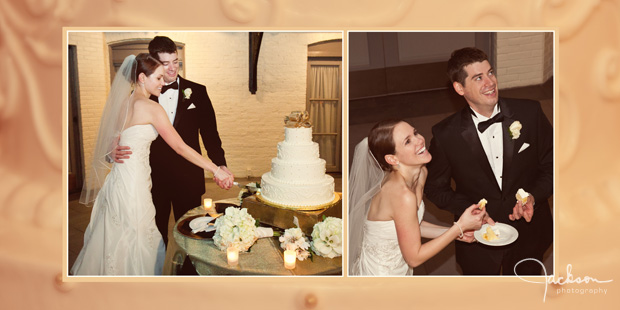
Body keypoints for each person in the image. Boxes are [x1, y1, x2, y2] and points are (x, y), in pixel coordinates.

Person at [72, 54, 233, 276]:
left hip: (118, 182)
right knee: (139, 238)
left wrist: (111, 153)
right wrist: (216, 170)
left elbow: (111, 147)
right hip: (135, 185)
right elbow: (181, 147)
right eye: (157, 77)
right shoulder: (151, 108)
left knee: (115, 236)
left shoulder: (122, 104)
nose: (162, 82)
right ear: (141, 78)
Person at [424, 47, 553, 275]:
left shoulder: (530, 113)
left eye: (490, 72)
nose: (490, 82)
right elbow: (435, 188)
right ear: (459, 88)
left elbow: (552, 165)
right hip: (477, 239)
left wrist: (533, 195)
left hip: (530, 231)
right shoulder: (446, 134)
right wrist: (469, 211)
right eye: (478, 77)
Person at [114, 36, 234, 248]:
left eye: (175, 61)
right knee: (154, 233)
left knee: (192, 231)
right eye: (165, 63)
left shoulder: (198, 91)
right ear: (152, 63)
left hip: (188, 175)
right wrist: (113, 150)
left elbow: (210, 135)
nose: (172, 69)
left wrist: (220, 164)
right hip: (152, 177)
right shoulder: (141, 95)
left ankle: (188, 274)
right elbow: (119, 132)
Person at [349, 119, 490, 276]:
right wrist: (459, 227)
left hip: (400, 266)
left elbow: (412, 225)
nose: (419, 140)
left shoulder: (421, 172)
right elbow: (414, 258)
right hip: (382, 273)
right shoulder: (402, 195)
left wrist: (456, 233)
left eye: (415, 132)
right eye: (408, 141)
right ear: (392, 159)